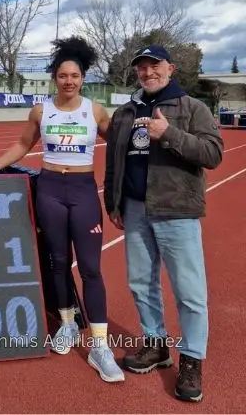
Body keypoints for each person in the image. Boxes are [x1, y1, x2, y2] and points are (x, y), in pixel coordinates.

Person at [0, 36, 122, 383]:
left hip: (83, 192)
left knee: (91, 269)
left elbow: (121, 143)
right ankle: (67, 325)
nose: (69, 81)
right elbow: (24, 144)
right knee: (56, 262)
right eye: (63, 75)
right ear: (55, 77)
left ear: (84, 78)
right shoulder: (41, 111)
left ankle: (100, 346)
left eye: (76, 75)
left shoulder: (95, 111)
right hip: (50, 189)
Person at [103, 44, 221, 403]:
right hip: (136, 210)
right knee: (141, 283)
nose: (148, 72)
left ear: (170, 68)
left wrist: (168, 134)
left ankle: (191, 359)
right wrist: (113, 201)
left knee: (189, 292)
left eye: (155, 66)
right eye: (142, 67)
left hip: (176, 210)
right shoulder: (126, 112)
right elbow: (114, 162)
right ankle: (156, 345)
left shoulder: (191, 108)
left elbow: (213, 153)